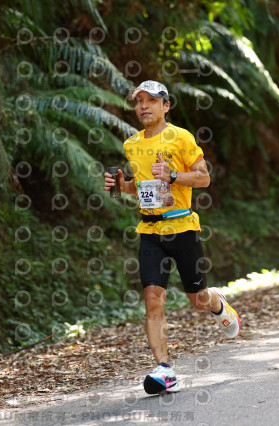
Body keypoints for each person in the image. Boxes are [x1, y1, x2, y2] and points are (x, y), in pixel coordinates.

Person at [103, 80, 241, 395]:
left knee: (198, 299)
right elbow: (141, 187)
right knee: (153, 298)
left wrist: (173, 175)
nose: (143, 106)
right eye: (139, 101)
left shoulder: (181, 137)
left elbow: (204, 178)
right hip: (150, 231)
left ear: (166, 106)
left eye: (151, 100)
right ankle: (164, 370)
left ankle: (218, 304)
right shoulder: (131, 144)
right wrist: (121, 185)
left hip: (182, 228)